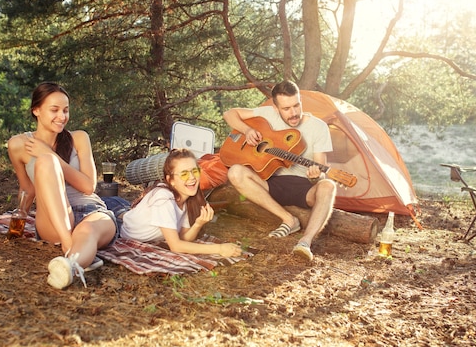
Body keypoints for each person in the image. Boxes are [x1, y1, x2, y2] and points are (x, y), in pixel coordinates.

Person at [7, 82, 118, 290]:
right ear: (36, 110)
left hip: (91, 211)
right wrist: (19, 219)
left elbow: (88, 186)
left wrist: (50, 154)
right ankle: (70, 246)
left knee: (86, 229)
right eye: (54, 110)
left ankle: (70, 266)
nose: (62, 116)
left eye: (65, 110)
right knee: (45, 163)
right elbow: (27, 189)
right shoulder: (18, 144)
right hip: (54, 221)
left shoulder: (79, 138)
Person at [223, 80, 336, 261]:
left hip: (304, 187)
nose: (293, 113)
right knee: (235, 172)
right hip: (270, 182)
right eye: (286, 109)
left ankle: (305, 242)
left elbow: (321, 169)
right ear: (275, 108)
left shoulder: (318, 127)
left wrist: (317, 176)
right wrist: (247, 130)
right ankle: (289, 220)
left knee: (328, 185)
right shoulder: (267, 114)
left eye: (296, 105)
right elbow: (229, 113)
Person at [119, 148, 243, 257]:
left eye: (195, 171)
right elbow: (176, 246)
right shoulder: (164, 199)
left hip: (131, 213)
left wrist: (198, 224)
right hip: (117, 223)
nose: (192, 177)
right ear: (171, 180)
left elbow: (183, 239)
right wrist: (219, 249)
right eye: (184, 174)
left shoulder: (186, 198)